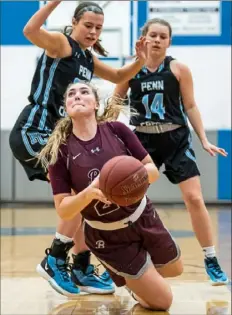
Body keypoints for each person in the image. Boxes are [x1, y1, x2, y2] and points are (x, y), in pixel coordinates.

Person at [9, 1, 148, 297]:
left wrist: (140, 59)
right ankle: (56, 258)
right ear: (74, 22)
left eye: (98, 28)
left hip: (57, 134)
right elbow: (30, 30)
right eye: (88, 25)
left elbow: (120, 76)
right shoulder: (61, 44)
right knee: (76, 195)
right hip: (34, 130)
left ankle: (82, 266)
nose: (94, 32)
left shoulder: (86, 58)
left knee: (87, 196)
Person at [38, 80, 184, 311]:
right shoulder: (60, 151)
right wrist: (90, 192)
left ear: (95, 103)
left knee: (175, 270)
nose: (77, 96)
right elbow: (63, 208)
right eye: (71, 94)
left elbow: (152, 171)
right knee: (162, 302)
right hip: (107, 235)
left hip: (142, 216)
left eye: (84, 92)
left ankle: (137, 275)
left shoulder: (117, 130)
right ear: (65, 108)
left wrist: (127, 179)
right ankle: (131, 278)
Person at [113, 18, 229, 285]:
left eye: (162, 36)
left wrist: (203, 140)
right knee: (126, 200)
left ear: (169, 42)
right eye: (152, 35)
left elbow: (190, 105)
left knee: (195, 199)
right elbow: (116, 102)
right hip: (141, 141)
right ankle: (123, 258)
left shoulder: (178, 69)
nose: (156, 39)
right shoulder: (129, 71)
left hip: (176, 138)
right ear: (143, 38)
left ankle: (210, 258)